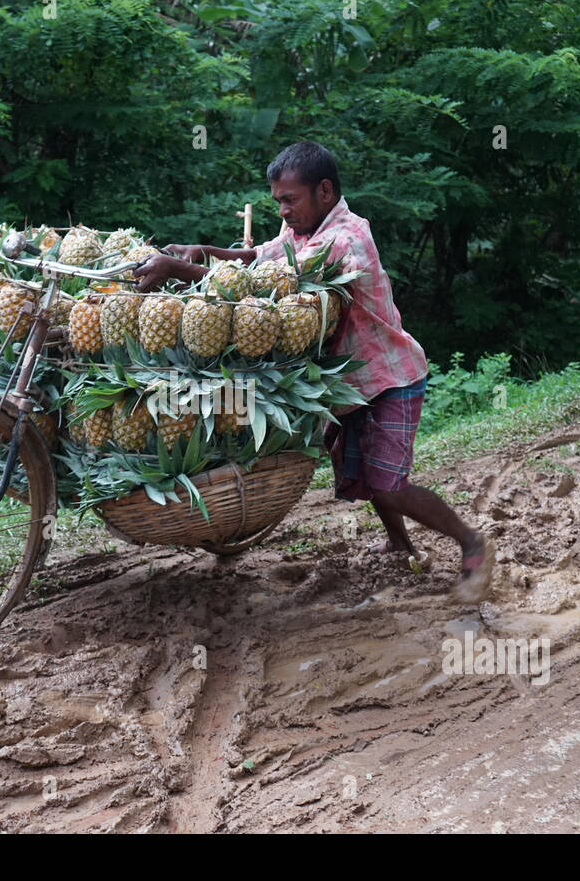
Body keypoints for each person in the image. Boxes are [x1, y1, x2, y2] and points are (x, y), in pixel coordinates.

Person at [132, 140, 493, 602]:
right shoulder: (302, 230)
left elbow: (262, 285)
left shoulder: (345, 239)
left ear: (324, 191)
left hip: (388, 378)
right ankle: (401, 545)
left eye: (289, 200)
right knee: (364, 472)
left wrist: (180, 270)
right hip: (348, 381)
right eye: (278, 202)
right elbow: (259, 259)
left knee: (389, 483)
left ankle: (471, 543)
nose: (283, 211)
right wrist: (200, 250)